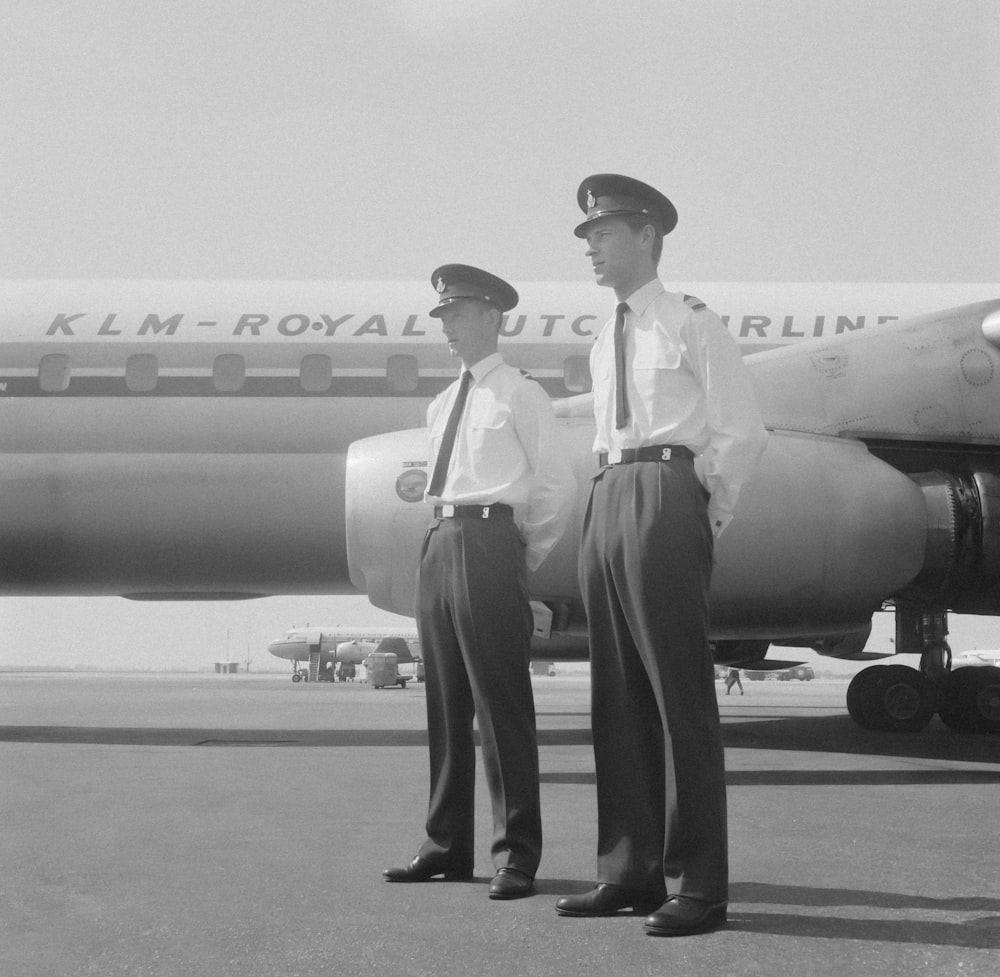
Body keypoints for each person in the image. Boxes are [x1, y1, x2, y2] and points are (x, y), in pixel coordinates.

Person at [554, 175, 767, 936]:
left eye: (602, 234)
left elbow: (741, 432)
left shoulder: (689, 322)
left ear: (645, 236)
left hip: (666, 492)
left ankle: (700, 884)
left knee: (680, 698)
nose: (590, 247)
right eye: (587, 236)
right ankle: (629, 870)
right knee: (615, 697)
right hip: (607, 491)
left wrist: (700, 512)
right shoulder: (600, 336)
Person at [383, 264, 575, 900]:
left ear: (492, 318)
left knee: (502, 707)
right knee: (444, 705)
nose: (447, 327)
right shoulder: (440, 404)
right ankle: (446, 847)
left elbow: (554, 485)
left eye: (457, 314)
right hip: (439, 540)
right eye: (442, 317)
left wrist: (520, 556)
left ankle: (516, 855)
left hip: (493, 541)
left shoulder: (522, 393)